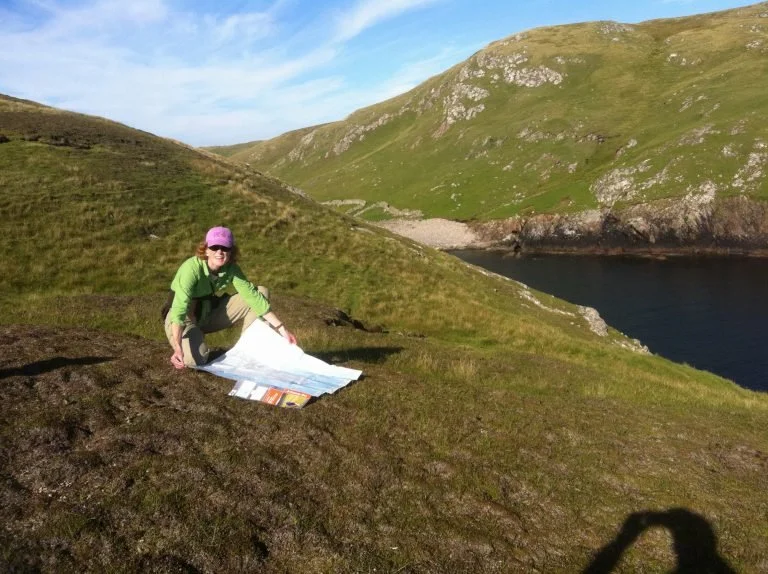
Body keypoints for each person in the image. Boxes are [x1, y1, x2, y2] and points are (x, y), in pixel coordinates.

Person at [164, 226, 296, 369]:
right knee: (194, 361)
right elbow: (178, 310)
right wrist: (177, 348)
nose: (219, 252)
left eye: (225, 248)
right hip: (184, 318)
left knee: (261, 292)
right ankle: (192, 340)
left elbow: (254, 298)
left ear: (231, 251)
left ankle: (251, 349)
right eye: (215, 247)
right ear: (206, 250)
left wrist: (282, 330)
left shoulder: (231, 268)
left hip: (208, 314)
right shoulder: (191, 268)